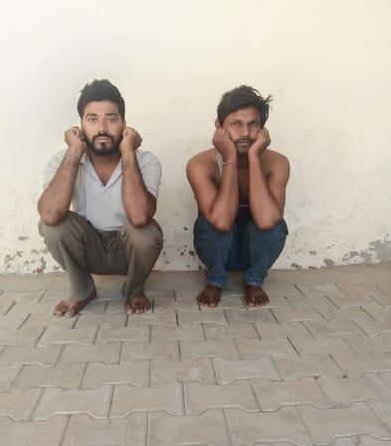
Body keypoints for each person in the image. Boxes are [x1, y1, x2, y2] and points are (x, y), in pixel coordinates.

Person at [38, 79, 163, 317]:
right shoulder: (62, 161)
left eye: (111, 119)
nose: (102, 128)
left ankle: (134, 290)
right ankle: (82, 291)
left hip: (127, 249)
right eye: (92, 119)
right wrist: (75, 152)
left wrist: (128, 152)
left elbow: (139, 217)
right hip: (88, 246)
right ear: (80, 126)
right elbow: (50, 214)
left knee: (146, 232)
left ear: (124, 125)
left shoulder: (145, 161)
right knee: (52, 226)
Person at [186, 85, 289, 307]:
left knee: (276, 223)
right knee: (211, 220)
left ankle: (254, 280)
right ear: (219, 127)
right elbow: (221, 221)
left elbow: (267, 221)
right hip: (219, 248)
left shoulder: (277, 163)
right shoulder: (200, 164)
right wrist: (230, 158)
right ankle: (216, 279)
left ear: (262, 129)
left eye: (253, 124)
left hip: (254, 249)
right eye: (236, 124)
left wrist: (254, 158)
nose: (245, 133)